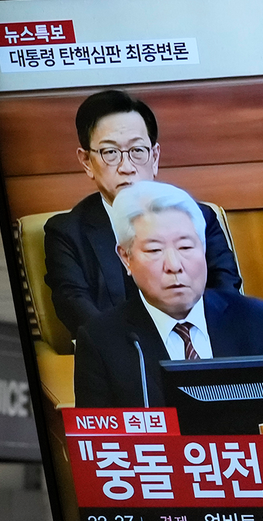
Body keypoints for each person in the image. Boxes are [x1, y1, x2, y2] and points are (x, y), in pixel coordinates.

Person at [73, 181, 263, 407]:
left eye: (186, 247)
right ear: (126, 258)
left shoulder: (260, 321)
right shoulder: (100, 342)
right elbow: (100, 429)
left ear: (203, 247)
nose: (174, 265)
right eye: (154, 250)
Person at [44, 89, 241, 337]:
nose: (126, 167)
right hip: (121, 353)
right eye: (110, 152)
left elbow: (226, 292)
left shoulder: (198, 216)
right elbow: (75, 308)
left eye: (137, 151)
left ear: (154, 157)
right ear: (86, 162)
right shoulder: (67, 232)